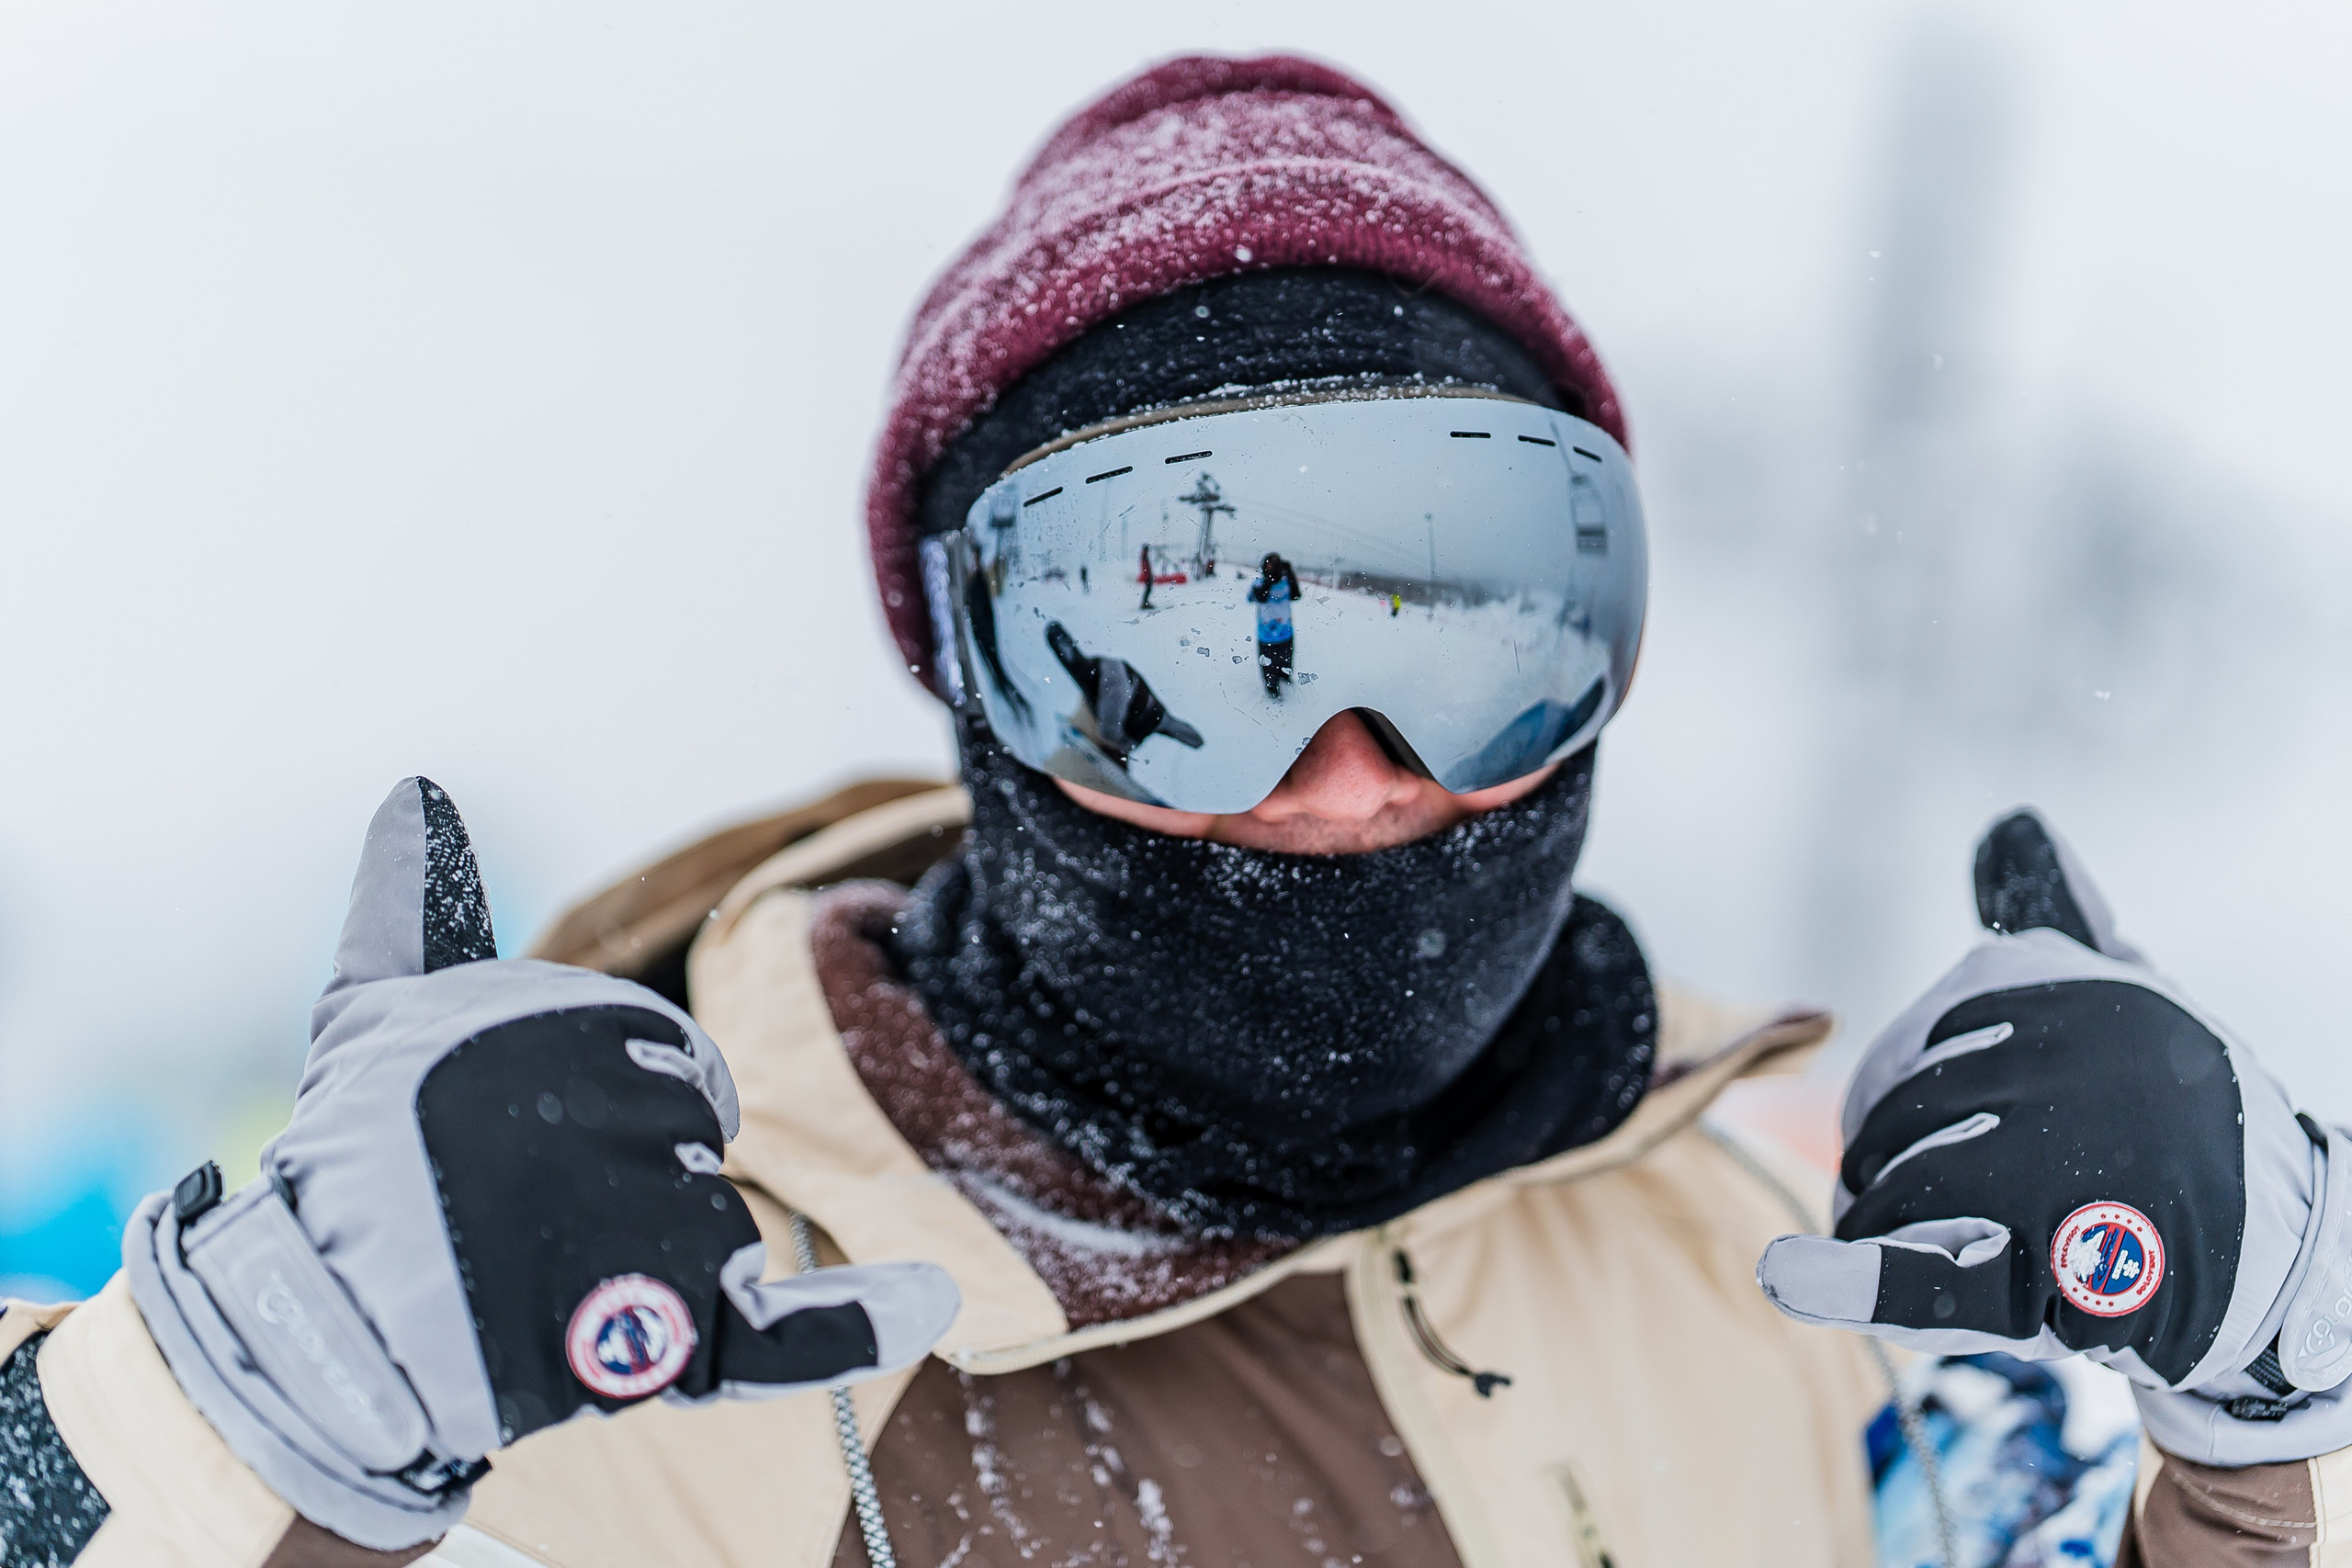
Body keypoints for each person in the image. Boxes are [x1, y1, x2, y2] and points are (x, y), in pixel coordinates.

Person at [4, 54, 2346, 1568]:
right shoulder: (596, 1318)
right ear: (968, 684)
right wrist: (218, 1421)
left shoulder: (1778, 1244)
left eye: (1467, 623)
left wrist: (2256, 1440)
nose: (1341, 778)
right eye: (1165, 655)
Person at [1249, 549, 1300, 695]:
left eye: (1275, 565)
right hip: (1266, 635)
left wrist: (1290, 574)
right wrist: (1269, 579)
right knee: (1268, 666)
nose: (1272, 568)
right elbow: (1260, 597)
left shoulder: (1285, 584)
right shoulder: (1258, 583)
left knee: (1285, 661)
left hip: (1285, 632)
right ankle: (1272, 688)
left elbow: (1296, 595)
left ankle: (1285, 677)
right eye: (1269, 565)